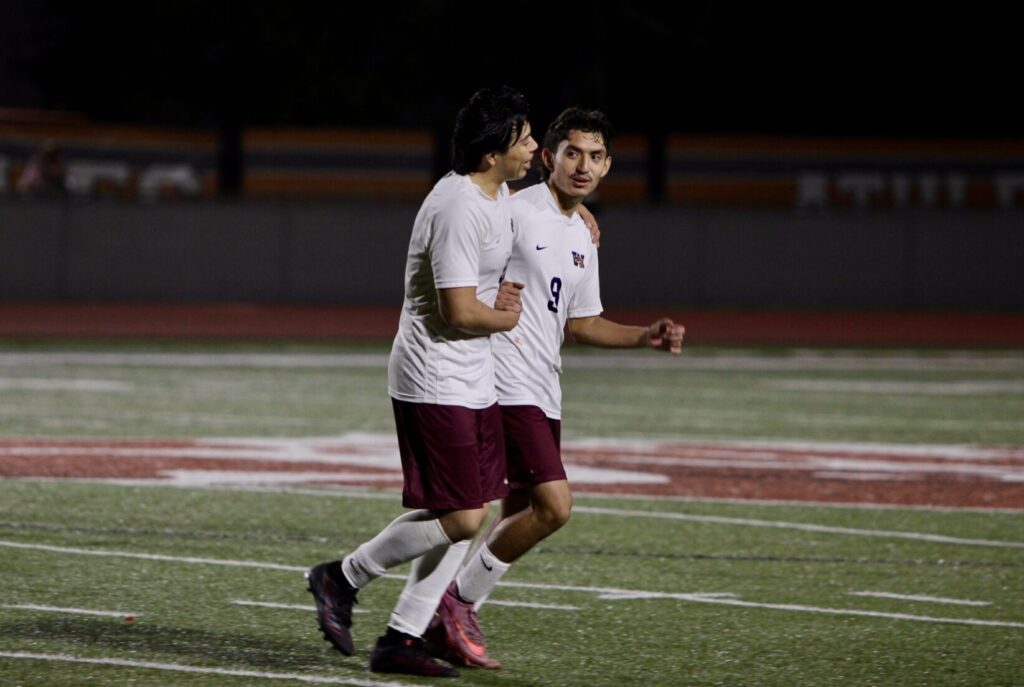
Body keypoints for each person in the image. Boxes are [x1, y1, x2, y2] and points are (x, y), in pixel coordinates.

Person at [424, 107, 685, 669]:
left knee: (514, 513)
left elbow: (582, 323)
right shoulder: (512, 210)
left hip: (545, 388)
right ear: (548, 158)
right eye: (571, 152)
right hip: (505, 379)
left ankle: (436, 621)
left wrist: (645, 336)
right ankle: (454, 604)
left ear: (608, 166)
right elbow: (463, 234)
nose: (582, 165)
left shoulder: (582, 235)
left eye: (594, 157)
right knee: (554, 507)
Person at [305, 85, 537, 679]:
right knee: (462, 517)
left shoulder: (497, 190)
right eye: (524, 138)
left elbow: (526, 216)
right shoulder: (459, 205)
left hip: (471, 373)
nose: (535, 146)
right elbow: (458, 311)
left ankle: (402, 637)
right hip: (434, 375)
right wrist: (506, 317)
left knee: (466, 511)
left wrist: (573, 207)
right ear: (491, 154)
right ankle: (343, 576)